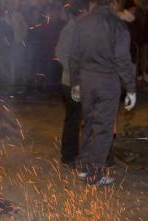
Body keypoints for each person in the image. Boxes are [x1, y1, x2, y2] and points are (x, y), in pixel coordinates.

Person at [69, 0, 137, 186]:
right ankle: (95, 174)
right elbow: (123, 59)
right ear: (113, 4)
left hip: (86, 79)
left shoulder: (82, 23)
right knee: (104, 127)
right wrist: (131, 88)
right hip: (107, 80)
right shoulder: (117, 25)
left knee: (89, 123)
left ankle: (84, 167)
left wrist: (75, 82)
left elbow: (74, 55)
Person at [56, 0, 89, 166]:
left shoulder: (79, 27)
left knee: (76, 118)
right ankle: (68, 156)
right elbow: (60, 53)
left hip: (77, 81)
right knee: (73, 120)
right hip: (70, 83)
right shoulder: (72, 28)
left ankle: (73, 154)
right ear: (82, 11)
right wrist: (74, 72)